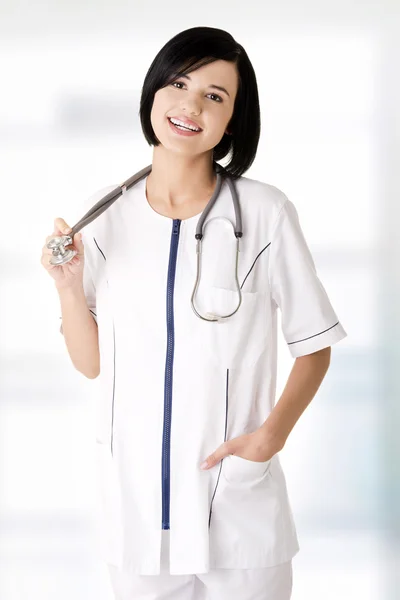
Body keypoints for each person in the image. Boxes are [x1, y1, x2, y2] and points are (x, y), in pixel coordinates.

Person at [41, 26, 347, 600]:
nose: (190, 104)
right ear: (153, 93)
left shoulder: (266, 213)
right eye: (178, 83)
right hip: (136, 508)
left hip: (236, 504)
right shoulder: (106, 216)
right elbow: (91, 365)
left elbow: (314, 344)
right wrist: (67, 285)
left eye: (215, 95)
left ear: (232, 121)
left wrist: (269, 438)